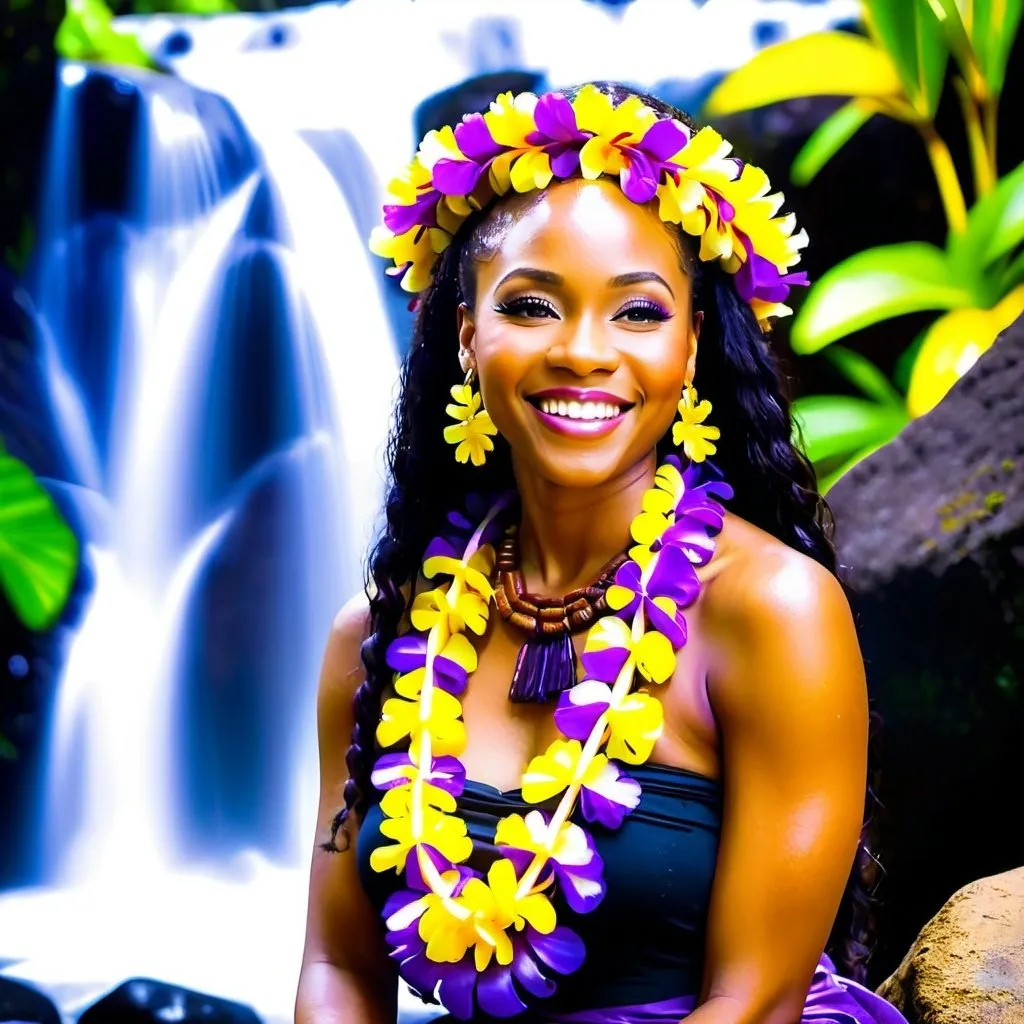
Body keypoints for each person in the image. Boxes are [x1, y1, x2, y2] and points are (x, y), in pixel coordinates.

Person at [294, 82, 907, 1024]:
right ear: (468, 339)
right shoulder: (372, 640)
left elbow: (754, 1001)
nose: (583, 351)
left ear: (693, 348)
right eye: (532, 305)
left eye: (637, 312)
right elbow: (339, 967)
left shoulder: (772, 610)